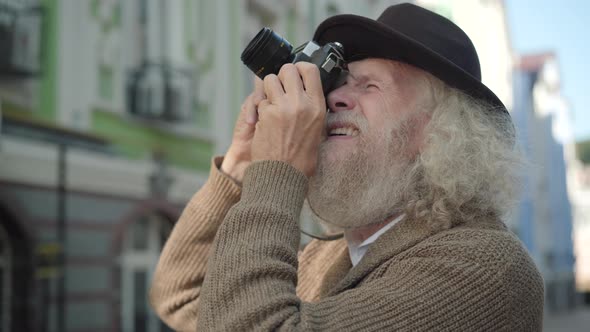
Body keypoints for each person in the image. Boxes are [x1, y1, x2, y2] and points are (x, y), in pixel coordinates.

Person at [149, 3, 544, 331]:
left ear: (442, 130)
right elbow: (185, 293)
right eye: (338, 82)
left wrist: (277, 170)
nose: (335, 99)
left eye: (369, 86)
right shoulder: (328, 257)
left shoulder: (487, 268)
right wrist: (243, 163)